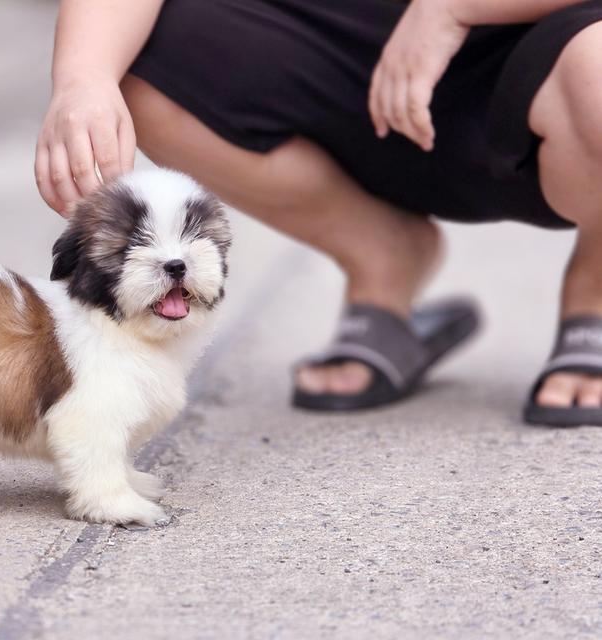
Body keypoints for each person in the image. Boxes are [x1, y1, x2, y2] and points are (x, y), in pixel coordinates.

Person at [35, 0, 602, 427]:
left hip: (543, 49)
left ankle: (595, 287)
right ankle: (383, 253)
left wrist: (451, 8)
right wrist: (83, 78)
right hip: (333, 51)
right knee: (134, 67)